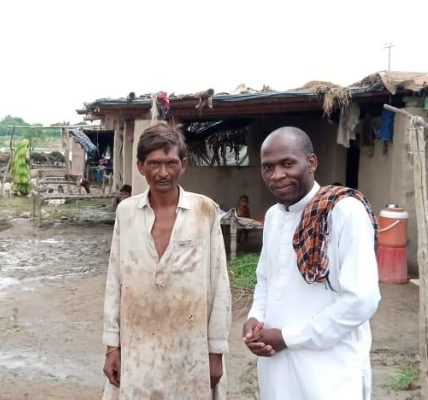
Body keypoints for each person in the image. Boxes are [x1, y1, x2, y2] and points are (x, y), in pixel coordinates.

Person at [243, 126, 381, 400]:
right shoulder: (273, 216)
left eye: (287, 164)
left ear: (311, 163)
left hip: (329, 373)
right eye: (267, 167)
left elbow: (361, 301)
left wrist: (288, 337)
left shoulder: (344, 211)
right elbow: (266, 280)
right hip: (277, 368)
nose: (277, 175)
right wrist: (255, 318)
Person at [102, 123, 232, 399]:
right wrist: (112, 346)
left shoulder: (205, 211)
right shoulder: (126, 213)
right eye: (154, 163)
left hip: (190, 346)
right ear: (140, 166)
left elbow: (219, 284)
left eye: (171, 163)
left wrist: (216, 350)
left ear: (183, 165)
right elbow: (115, 280)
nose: (163, 173)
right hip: (137, 345)